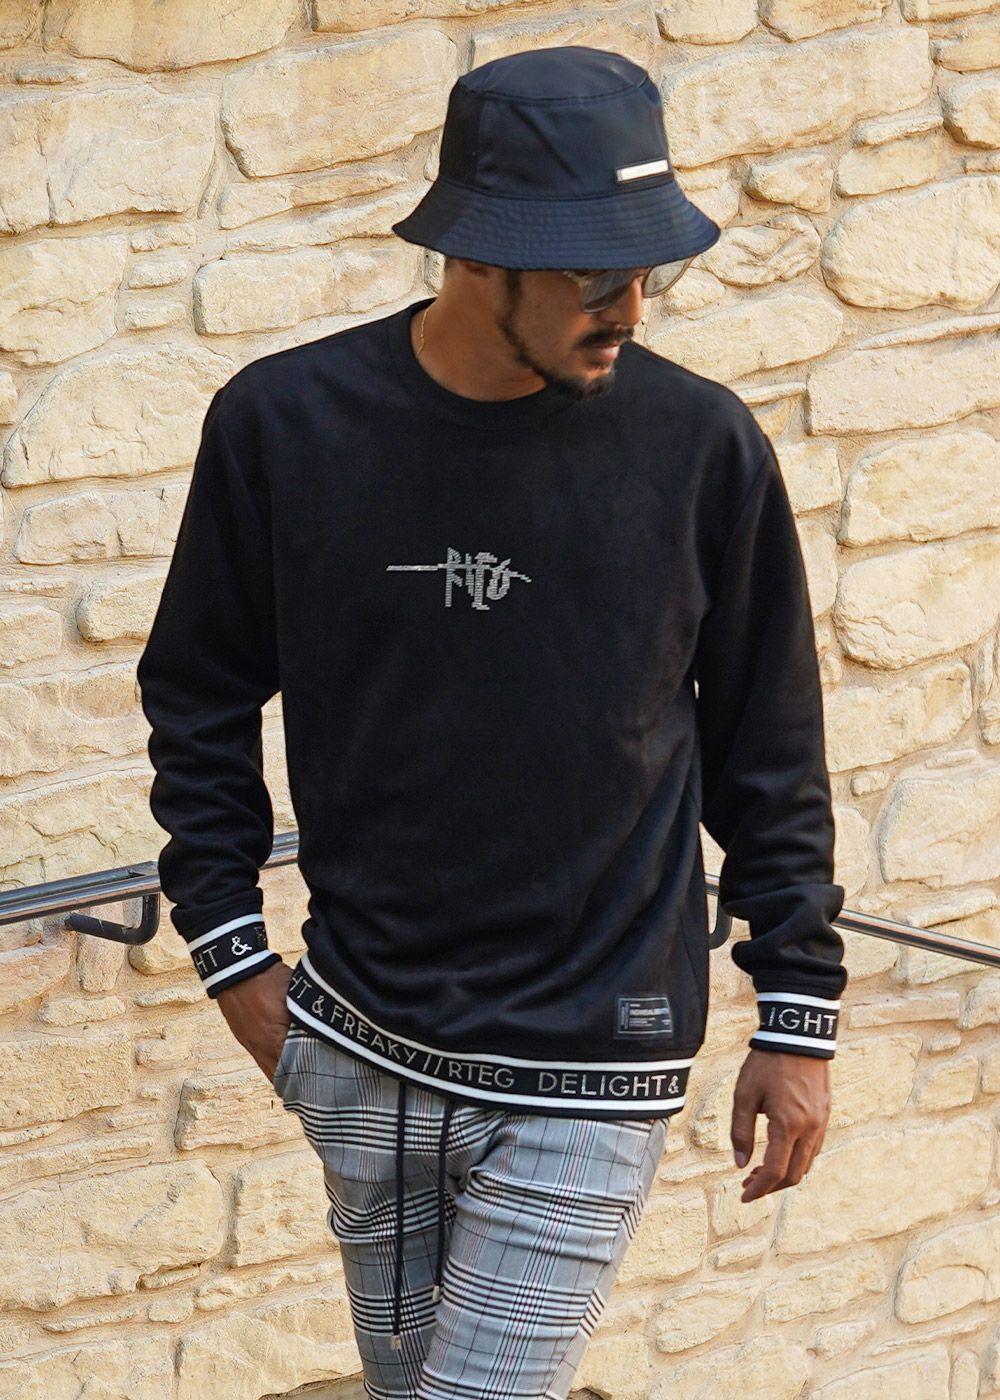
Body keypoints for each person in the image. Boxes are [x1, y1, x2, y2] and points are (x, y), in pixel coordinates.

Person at [136, 45, 847, 1400]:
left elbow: (772, 745)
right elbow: (199, 690)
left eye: (646, 272)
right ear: (478, 256)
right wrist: (233, 958)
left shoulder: (702, 448)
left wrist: (798, 1009)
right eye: (593, 276)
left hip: (597, 1055)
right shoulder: (286, 425)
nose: (628, 309)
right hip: (362, 1045)